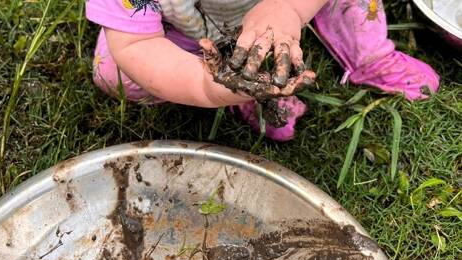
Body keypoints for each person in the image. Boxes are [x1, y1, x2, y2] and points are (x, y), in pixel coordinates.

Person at [86, 0, 439, 141]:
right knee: (114, 70)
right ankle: (243, 86)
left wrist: (287, 8)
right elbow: (136, 46)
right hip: (188, 30)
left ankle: (369, 55)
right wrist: (205, 86)